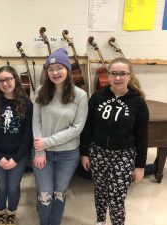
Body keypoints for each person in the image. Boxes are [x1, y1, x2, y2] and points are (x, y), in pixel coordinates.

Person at [80, 57, 149, 225]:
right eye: (113, 74)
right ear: (108, 76)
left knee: (117, 196)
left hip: (123, 156)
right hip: (98, 153)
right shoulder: (97, 97)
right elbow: (87, 128)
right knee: (100, 191)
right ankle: (100, 220)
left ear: (130, 76)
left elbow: (142, 137)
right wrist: (85, 153)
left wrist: (140, 166)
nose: (118, 78)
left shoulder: (138, 103)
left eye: (122, 74)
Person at [32, 48, 88, 225]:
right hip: (43, 153)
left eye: (59, 67)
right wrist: (40, 151)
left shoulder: (80, 95)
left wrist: (46, 142)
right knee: (45, 193)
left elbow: (77, 128)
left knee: (59, 192)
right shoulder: (41, 91)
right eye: (51, 69)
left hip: (68, 154)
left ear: (68, 70)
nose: (55, 72)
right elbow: (36, 122)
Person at [0, 65, 33, 225]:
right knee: (1, 185)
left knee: (13, 187)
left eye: (8, 79)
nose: (5, 83)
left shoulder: (26, 104)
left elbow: (27, 135)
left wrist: (17, 158)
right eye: (0, 81)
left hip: (18, 155)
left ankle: (11, 213)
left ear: (15, 80)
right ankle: (1, 213)